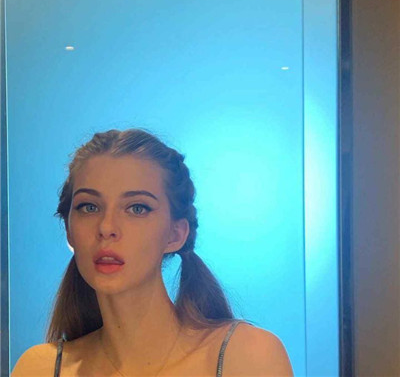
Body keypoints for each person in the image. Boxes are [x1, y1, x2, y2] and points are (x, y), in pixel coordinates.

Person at [12, 128, 293, 377]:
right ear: (69, 230)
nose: (107, 227)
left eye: (137, 208)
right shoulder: (40, 369)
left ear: (176, 234)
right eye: (89, 207)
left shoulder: (247, 357)